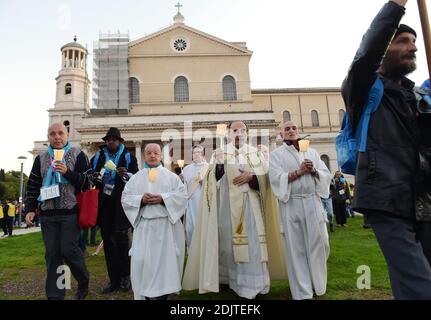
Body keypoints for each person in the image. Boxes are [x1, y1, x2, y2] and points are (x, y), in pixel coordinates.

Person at [342, 0, 431, 299]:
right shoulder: (364, 87)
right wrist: (397, 5)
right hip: (386, 198)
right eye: (403, 41)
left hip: (424, 198)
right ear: (385, 49)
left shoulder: (419, 96)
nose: (414, 47)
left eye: (415, 42)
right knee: (422, 285)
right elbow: (367, 53)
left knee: (411, 283)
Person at [183, 121, 286, 299]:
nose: (239, 133)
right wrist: (220, 166)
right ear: (229, 133)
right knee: (228, 247)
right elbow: (210, 182)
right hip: (227, 209)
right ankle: (230, 281)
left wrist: (251, 176)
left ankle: (256, 285)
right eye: (235, 130)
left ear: (247, 133)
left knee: (253, 247)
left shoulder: (255, 153)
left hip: (252, 207)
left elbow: (267, 180)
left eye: (243, 130)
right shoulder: (221, 153)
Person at [24, 123, 90, 300]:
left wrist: (68, 172)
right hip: (47, 214)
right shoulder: (41, 158)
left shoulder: (78, 155)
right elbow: (32, 186)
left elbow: (87, 182)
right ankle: (56, 295)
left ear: (67, 135)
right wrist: (30, 209)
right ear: (48, 137)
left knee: (69, 250)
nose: (57, 136)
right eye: (52, 134)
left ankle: (83, 280)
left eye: (61, 133)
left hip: (71, 213)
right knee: (52, 255)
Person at [269, 120, 331, 300]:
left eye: (294, 128)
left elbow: (325, 174)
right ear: (281, 134)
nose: (291, 131)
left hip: (312, 202)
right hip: (291, 204)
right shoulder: (276, 155)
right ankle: (303, 292)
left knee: (320, 244)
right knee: (296, 249)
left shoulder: (311, 151)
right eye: (287, 129)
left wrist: (314, 172)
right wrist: (299, 172)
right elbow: (275, 179)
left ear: (298, 131)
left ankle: (317, 285)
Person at [121, 143, 187, 300]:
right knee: (143, 261)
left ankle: (163, 293)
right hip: (144, 227)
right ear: (144, 156)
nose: (152, 155)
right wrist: (141, 200)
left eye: (156, 153)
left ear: (161, 156)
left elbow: (182, 196)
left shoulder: (172, 177)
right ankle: (146, 292)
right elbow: (125, 198)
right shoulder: (135, 178)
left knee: (164, 264)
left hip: (165, 228)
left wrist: (163, 199)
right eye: (149, 153)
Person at [91, 127, 138, 294]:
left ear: (119, 141)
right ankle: (114, 280)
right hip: (104, 203)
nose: (111, 141)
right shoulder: (98, 156)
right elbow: (91, 175)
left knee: (122, 240)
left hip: (121, 203)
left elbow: (136, 177)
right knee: (108, 242)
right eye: (108, 139)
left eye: (114, 139)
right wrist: (95, 176)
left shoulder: (128, 157)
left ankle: (126, 277)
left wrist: (127, 174)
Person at [182, 145, 209, 248]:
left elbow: (214, 186)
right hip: (190, 203)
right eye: (194, 152)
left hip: (204, 202)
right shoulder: (186, 169)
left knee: (203, 228)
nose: (196, 154)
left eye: (198, 152)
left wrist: (204, 183)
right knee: (190, 228)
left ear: (203, 154)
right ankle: (191, 252)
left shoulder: (209, 167)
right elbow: (184, 188)